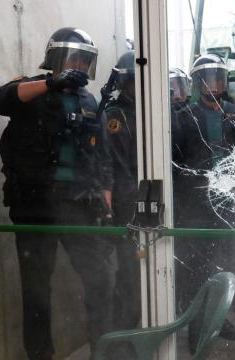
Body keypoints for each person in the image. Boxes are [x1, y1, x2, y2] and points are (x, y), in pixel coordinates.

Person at [0, 27, 114, 360]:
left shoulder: (89, 100)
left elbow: (101, 156)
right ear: (56, 59)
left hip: (79, 206)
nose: (81, 66)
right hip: (35, 205)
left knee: (100, 279)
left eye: (86, 60)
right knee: (36, 290)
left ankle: (103, 348)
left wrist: (106, 199)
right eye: (76, 58)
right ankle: (41, 355)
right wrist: (48, 84)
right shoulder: (32, 89)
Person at [171, 53, 235, 353]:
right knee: (196, 270)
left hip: (230, 203)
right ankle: (198, 333)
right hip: (195, 207)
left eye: (219, 78)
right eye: (208, 78)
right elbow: (175, 162)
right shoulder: (182, 117)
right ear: (197, 82)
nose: (214, 85)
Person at [105, 50, 141, 332]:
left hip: (150, 203)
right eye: (134, 81)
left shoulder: (150, 111)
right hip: (129, 208)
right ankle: (124, 336)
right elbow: (118, 167)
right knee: (130, 275)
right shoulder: (115, 117)